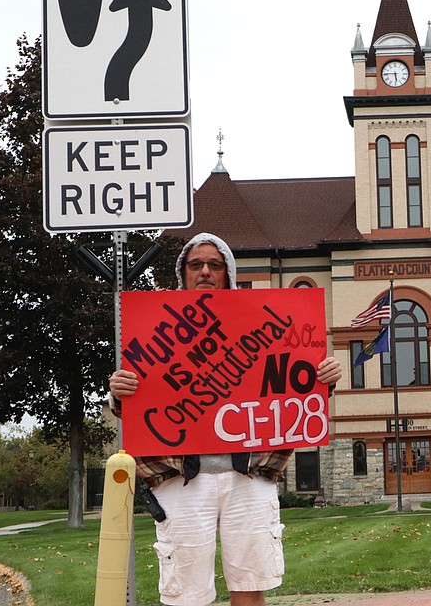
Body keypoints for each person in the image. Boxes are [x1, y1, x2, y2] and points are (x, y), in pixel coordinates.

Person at [109, 232, 342, 606]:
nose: (204, 271)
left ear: (228, 275)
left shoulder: (263, 326)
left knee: (250, 587)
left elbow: (289, 394)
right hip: (180, 480)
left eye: (214, 265)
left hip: (248, 476)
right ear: (182, 273)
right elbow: (139, 411)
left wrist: (322, 381)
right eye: (195, 265)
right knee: (185, 594)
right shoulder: (154, 334)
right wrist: (120, 393)